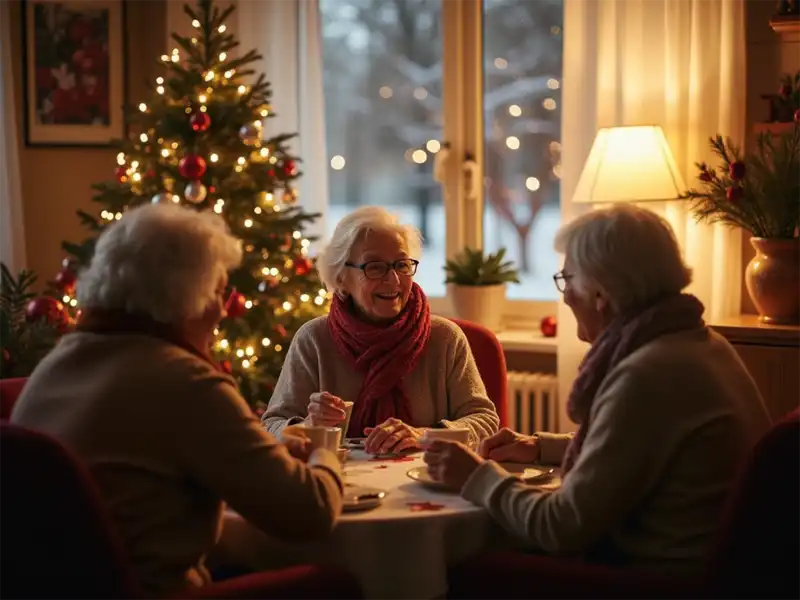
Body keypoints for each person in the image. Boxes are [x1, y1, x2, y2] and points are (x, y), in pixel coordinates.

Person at [11, 204, 344, 597]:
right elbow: (311, 512)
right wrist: (326, 453)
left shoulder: (55, 365)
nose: (223, 309)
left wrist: (267, 451)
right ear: (187, 296)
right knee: (336, 585)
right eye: (219, 291)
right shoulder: (188, 382)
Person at [423, 204, 770, 574]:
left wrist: (476, 477)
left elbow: (562, 527)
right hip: (719, 570)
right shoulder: (700, 344)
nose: (566, 295)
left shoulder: (646, 374)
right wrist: (542, 447)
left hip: (653, 581)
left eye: (567, 279)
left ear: (600, 294)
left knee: (466, 570)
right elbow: (637, 452)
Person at [262, 206, 499, 454]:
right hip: (338, 480)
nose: (394, 280)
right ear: (341, 277)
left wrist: (423, 435)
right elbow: (271, 426)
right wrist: (308, 426)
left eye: (402, 265)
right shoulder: (313, 340)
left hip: (426, 480)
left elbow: (485, 421)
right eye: (374, 267)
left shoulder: (445, 338)